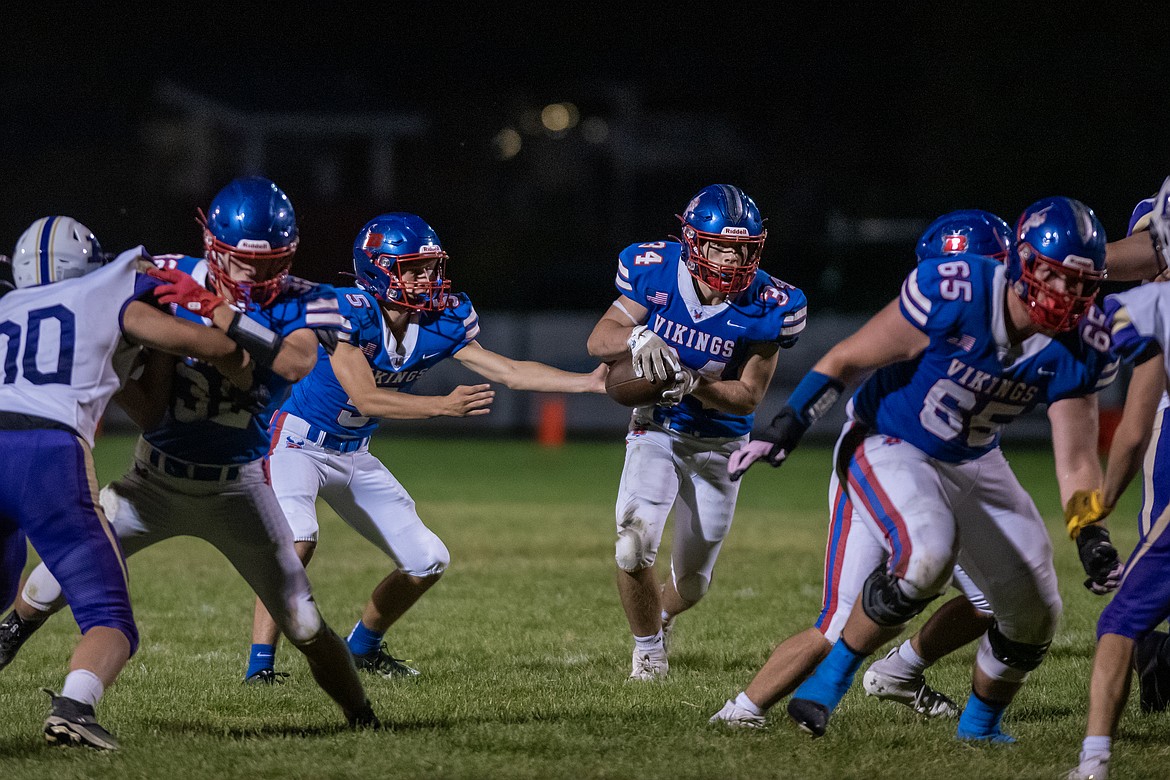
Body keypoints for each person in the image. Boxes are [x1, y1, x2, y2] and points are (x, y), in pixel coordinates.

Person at [726, 196, 1121, 742]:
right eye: (1056, 277)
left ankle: (979, 726)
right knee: (926, 551)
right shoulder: (957, 291)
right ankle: (831, 679)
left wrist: (1091, 531)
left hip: (973, 457)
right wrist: (788, 425)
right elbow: (846, 360)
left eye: (1083, 284)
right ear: (1020, 263)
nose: (1068, 296)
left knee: (1036, 609)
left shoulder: (1085, 342)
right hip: (890, 441)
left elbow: (1077, 456)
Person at [0, 178, 380, 729]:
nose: (253, 274)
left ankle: (363, 719)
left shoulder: (312, 298)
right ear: (211, 244)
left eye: (269, 261)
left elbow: (296, 364)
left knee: (302, 623)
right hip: (152, 478)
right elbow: (88, 295)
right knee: (49, 584)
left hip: (239, 487)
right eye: (240, 261)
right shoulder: (168, 273)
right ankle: (13, 641)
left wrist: (220, 312)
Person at [244, 212, 607, 682]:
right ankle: (260, 667)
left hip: (354, 450)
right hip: (297, 442)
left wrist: (589, 382)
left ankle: (363, 647)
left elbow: (508, 370)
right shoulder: (350, 311)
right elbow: (366, 396)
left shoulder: (442, 318)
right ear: (376, 269)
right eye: (412, 268)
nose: (427, 278)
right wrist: (443, 406)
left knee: (427, 559)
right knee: (299, 539)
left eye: (431, 267)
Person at [709, 209, 1012, 728]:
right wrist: (786, 428)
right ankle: (741, 711)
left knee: (996, 600)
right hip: (881, 466)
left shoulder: (1017, 324)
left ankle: (901, 671)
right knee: (839, 620)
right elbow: (842, 363)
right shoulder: (927, 320)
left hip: (957, 472)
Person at [0, 215, 250, 749]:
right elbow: (213, 347)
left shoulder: (5, 308)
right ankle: (75, 707)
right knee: (109, 617)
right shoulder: (105, 289)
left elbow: (147, 407)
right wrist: (231, 344)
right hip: (46, 453)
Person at [585, 184, 808, 681]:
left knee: (692, 583)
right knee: (633, 543)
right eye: (720, 246)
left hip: (722, 443)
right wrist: (640, 334)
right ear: (692, 242)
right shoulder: (657, 270)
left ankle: (660, 617)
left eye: (742, 249)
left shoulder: (772, 302)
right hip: (658, 429)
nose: (731, 259)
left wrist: (692, 382)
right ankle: (647, 651)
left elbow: (749, 395)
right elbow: (600, 340)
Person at [1065, 178, 1170, 780]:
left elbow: (1130, 433)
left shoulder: (1149, 309)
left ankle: (1094, 760)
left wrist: (1094, 514)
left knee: (1124, 616)